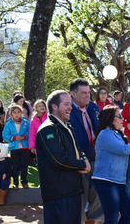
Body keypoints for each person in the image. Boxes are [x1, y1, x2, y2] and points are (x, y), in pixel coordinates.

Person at [35, 90, 91, 224]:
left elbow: (78, 150)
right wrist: (83, 165)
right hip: (58, 195)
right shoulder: (48, 129)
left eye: (70, 104)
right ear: (54, 106)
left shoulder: (67, 126)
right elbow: (58, 159)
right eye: (66, 104)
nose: (70, 107)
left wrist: (85, 160)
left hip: (72, 191)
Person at [92, 105, 130, 223]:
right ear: (109, 119)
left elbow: (127, 159)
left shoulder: (119, 135)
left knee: (128, 213)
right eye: (119, 116)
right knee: (112, 217)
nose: (122, 119)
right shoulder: (104, 134)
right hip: (106, 182)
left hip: (121, 181)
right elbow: (124, 150)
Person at [68, 78, 103, 224]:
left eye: (88, 92)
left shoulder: (93, 107)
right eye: (83, 93)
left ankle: (93, 221)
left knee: (100, 198)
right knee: (79, 201)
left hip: (97, 159)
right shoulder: (67, 110)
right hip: (79, 164)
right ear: (72, 94)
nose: (87, 96)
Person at [2, 104, 30, 189]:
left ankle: (24, 182)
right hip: (14, 148)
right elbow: (5, 135)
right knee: (15, 166)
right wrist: (13, 137)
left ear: (21, 113)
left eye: (18, 112)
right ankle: (15, 182)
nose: (16, 114)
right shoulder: (8, 124)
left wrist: (24, 136)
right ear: (11, 114)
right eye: (14, 112)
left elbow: (31, 132)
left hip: (24, 147)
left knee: (24, 165)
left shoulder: (26, 123)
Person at [28, 99, 48, 164]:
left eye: (43, 105)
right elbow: (32, 134)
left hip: (49, 140)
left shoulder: (49, 116)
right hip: (40, 142)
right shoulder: (33, 120)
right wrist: (32, 146)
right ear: (35, 108)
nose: (42, 107)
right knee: (42, 160)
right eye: (39, 106)